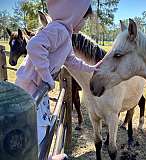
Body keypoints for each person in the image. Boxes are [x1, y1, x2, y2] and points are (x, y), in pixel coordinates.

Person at [15, 0, 97, 159]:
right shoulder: (58, 29)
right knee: (35, 127)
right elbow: (34, 46)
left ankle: (43, 156)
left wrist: (92, 68)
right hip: (30, 87)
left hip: (38, 87)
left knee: (41, 125)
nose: (85, 23)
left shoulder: (65, 35)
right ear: (74, 14)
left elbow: (71, 60)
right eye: (84, 18)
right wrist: (47, 76)